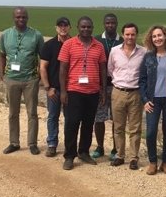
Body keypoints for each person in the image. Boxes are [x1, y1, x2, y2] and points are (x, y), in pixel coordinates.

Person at [58, 16, 107, 170]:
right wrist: (63, 91)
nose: (86, 29)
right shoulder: (68, 44)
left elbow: (103, 69)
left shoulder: (98, 46)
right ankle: (69, 156)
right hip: (74, 91)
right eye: (83, 27)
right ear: (78, 27)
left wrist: (103, 90)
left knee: (88, 124)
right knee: (72, 124)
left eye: (89, 27)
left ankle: (84, 152)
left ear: (93, 27)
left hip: (92, 92)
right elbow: (63, 69)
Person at [0, 6, 45, 155]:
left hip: (30, 80)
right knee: (13, 113)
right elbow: (2, 55)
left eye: (24, 17)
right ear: (14, 18)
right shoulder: (5, 35)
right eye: (18, 17)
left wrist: (38, 76)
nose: (21, 19)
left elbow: (42, 58)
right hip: (11, 79)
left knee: (32, 113)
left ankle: (32, 143)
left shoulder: (36, 35)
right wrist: (2, 75)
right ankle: (14, 142)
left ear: (27, 18)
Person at [139, 25, 166, 175]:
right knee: (151, 131)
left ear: (165, 36)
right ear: (151, 39)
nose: (157, 38)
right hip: (152, 100)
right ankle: (153, 162)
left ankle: (165, 163)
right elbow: (142, 80)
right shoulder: (148, 57)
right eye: (154, 36)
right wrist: (144, 100)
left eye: (160, 35)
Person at [108, 23, 146, 170]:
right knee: (118, 126)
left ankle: (133, 158)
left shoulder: (143, 52)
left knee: (135, 127)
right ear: (123, 35)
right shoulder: (114, 51)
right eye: (127, 34)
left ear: (136, 35)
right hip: (118, 92)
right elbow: (110, 70)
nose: (130, 37)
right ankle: (119, 155)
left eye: (133, 34)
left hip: (136, 93)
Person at [92, 13, 123, 161]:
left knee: (116, 119)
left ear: (116, 24)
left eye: (113, 23)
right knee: (99, 118)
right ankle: (99, 147)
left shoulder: (123, 41)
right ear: (104, 24)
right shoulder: (96, 40)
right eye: (107, 23)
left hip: (117, 86)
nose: (110, 25)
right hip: (99, 86)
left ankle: (116, 148)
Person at [39, 17, 71, 157]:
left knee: (70, 118)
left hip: (71, 89)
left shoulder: (74, 44)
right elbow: (43, 68)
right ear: (56, 28)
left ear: (70, 27)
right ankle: (52, 144)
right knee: (53, 116)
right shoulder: (49, 45)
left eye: (65, 25)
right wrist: (48, 88)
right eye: (60, 26)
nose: (63, 28)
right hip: (54, 89)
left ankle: (70, 145)